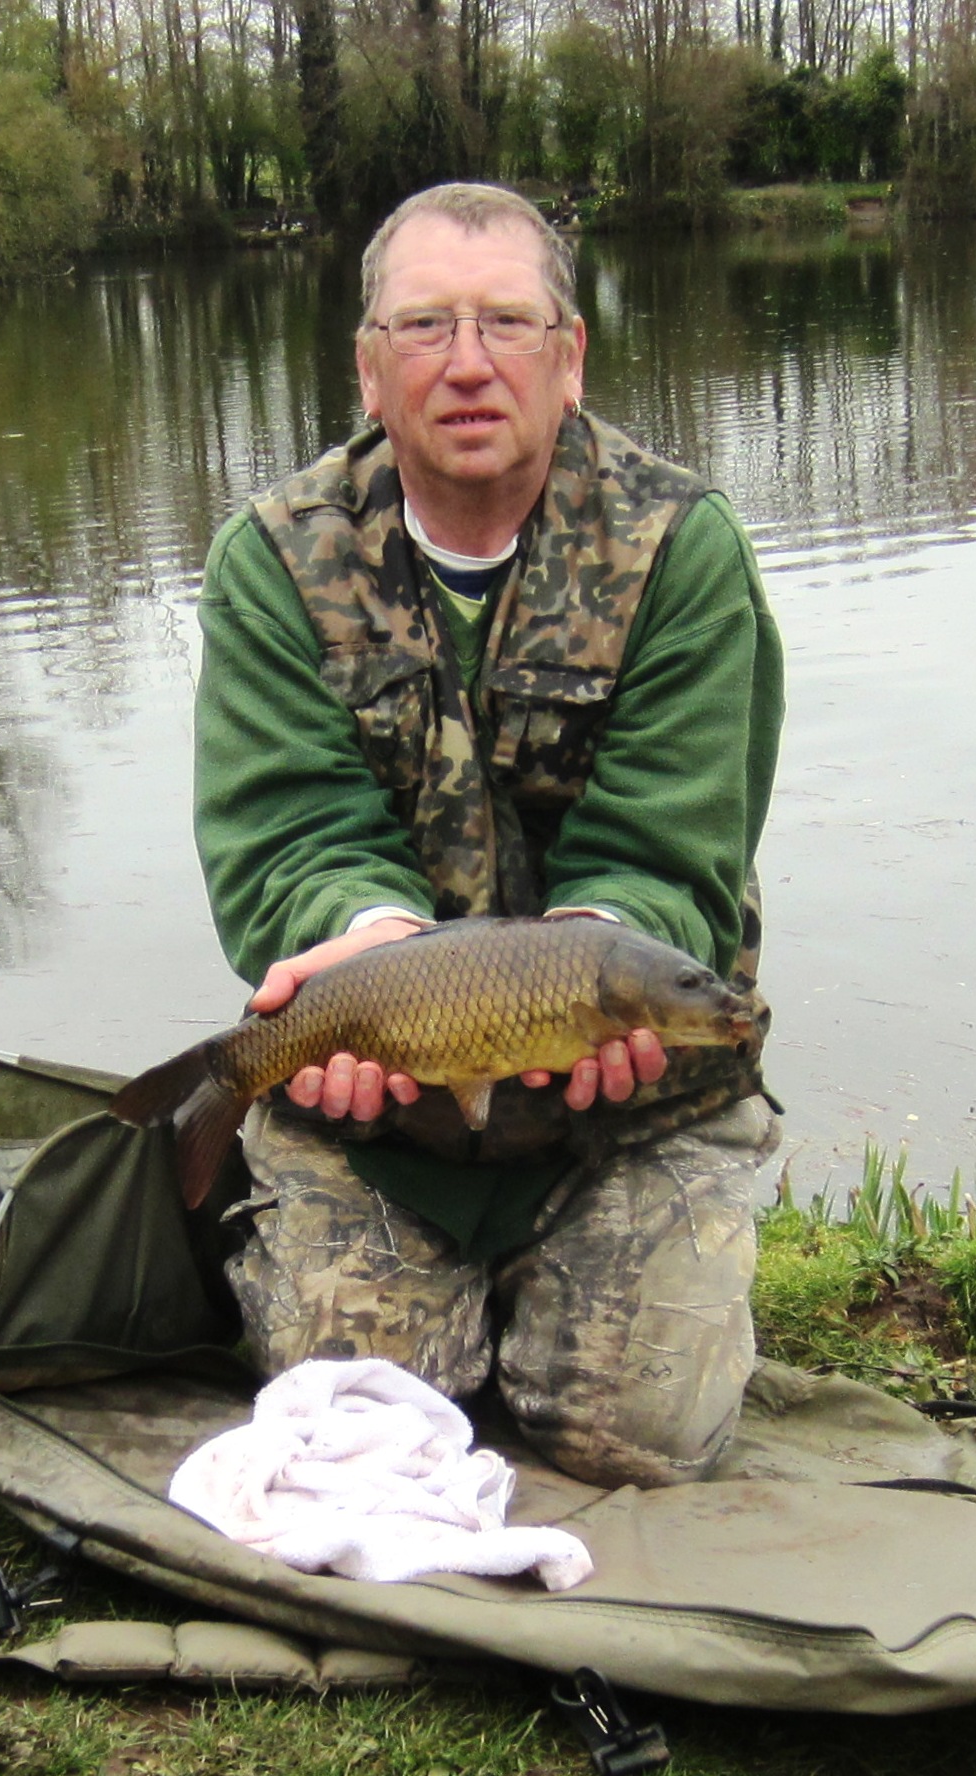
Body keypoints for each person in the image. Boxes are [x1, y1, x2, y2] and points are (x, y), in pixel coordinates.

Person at [191, 181, 785, 1489]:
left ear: (569, 358)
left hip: (634, 1117)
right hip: (385, 1126)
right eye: (425, 326)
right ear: (369, 369)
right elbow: (291, 838)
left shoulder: (681, 549)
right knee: (357, 1445)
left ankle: (589, 1280)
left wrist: (608, 951)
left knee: (635, 1442)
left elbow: (671, 851)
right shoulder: (274, 561)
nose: (468, 363)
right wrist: (362, 947)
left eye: (508, 323)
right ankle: (409, 1277)